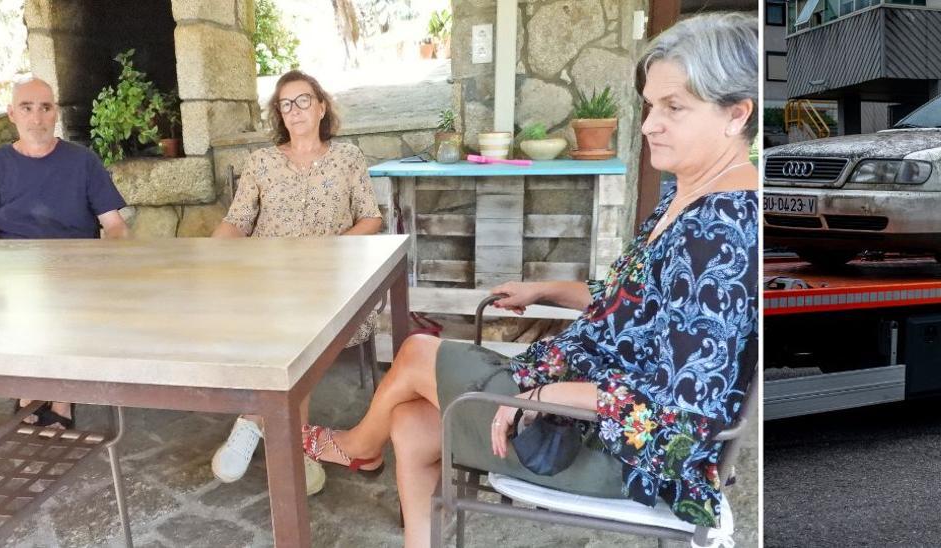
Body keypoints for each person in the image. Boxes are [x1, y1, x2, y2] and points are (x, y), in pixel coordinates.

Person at [302, 12, 759, 547]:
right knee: (408, 420)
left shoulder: (720, 234)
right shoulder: (685, 197)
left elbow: (685, 416)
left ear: (737, 114)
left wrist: (548, 393)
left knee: (416, 354)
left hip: (618, 452)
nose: (648, 124)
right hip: (573, 400)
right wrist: (545, 291)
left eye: (674, 107)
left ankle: (357, 445)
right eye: (650, 105)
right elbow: (635, 310)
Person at [207, 70, 383, 494]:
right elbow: (237, 221)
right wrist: (208, 256)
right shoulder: (262, 162)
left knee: (302, 328)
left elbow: (371, 217)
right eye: (286, 104)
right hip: (270, 279)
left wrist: (332, 249)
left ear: (322, 107)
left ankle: (255, 422)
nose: (295, 110)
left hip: (330, 281)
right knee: (283, 324)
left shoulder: (348, 158)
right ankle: (291, 444)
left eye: (304, 101)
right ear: (279, 114)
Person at [0, 77, 131, 429]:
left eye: (45, 107)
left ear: (56, 113)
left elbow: (115, 225)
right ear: (11, 114)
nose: (37, 118)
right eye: (27, 108)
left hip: (75, 272)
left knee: (65, 303)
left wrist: (115, 256)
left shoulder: (83, 161)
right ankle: (27, 390)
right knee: (9, 303)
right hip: (13, 274)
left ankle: (60, 398)